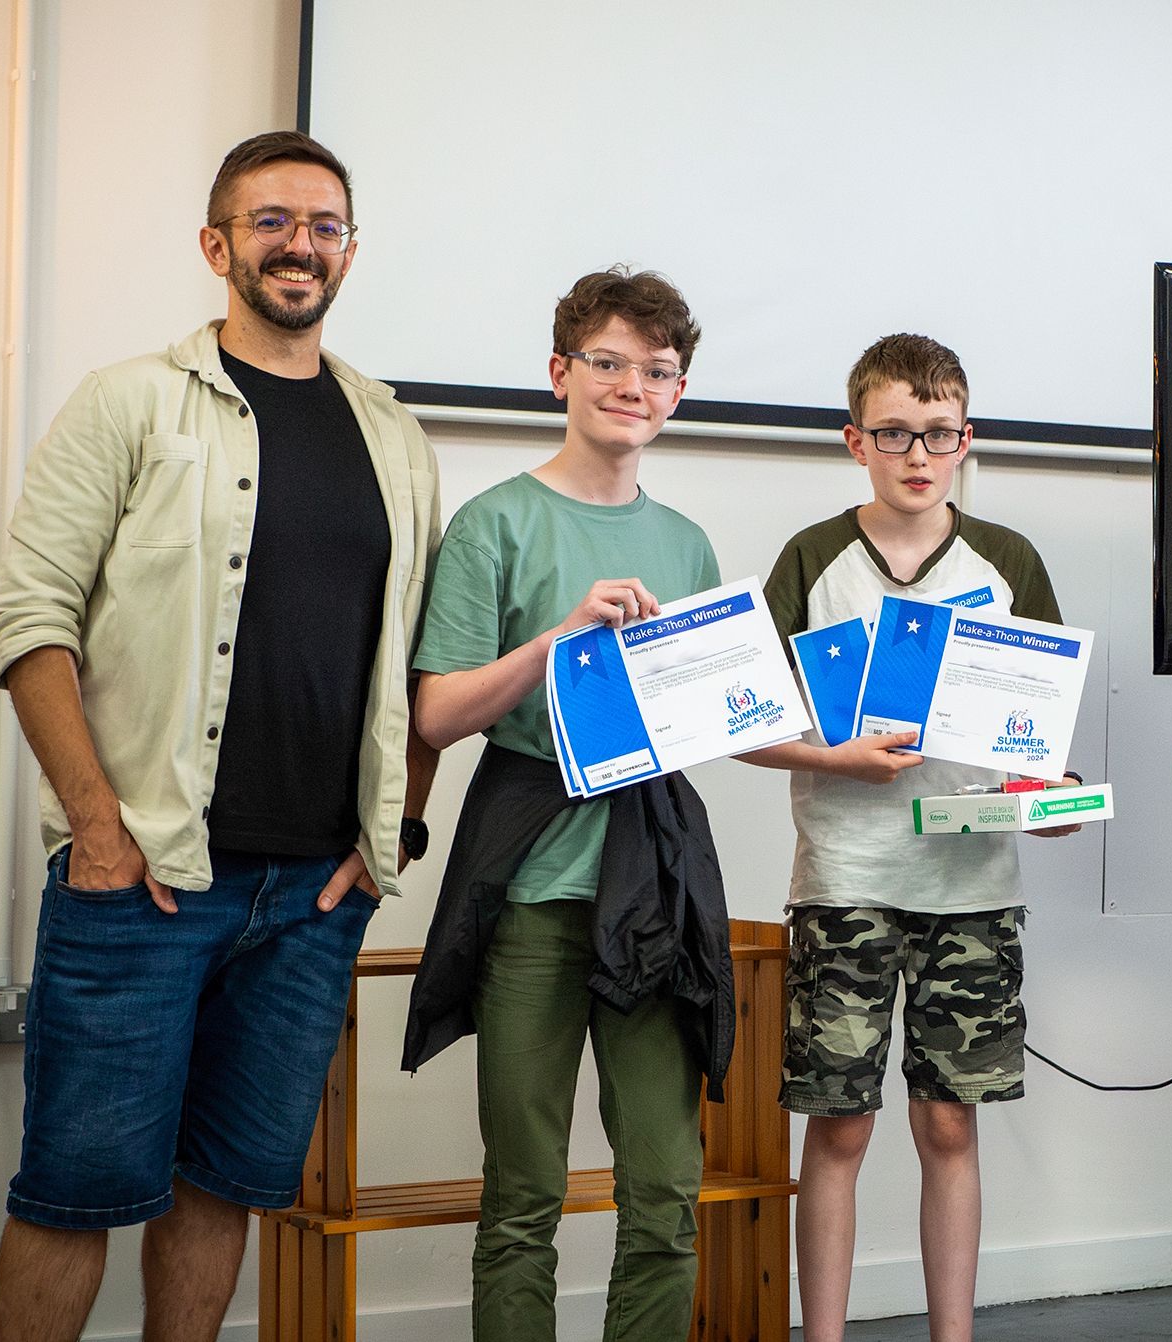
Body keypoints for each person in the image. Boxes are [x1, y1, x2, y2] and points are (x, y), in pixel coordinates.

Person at [0, 130, 441, 1342]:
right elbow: (30, 618)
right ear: (217, 243)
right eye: (273, 221)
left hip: (310, 897)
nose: (301, 244)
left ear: (350, 249)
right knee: (75, 1192)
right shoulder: (131, 402)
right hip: (142, 881)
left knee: (228, 1183)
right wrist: (97, 828)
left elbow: (410, 660)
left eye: (324, 225)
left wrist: (386, 831)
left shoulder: (393, 434)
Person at [400, 267, 728, 1342]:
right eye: (607, 362)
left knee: (665, 1198)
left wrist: (837, 750)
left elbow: (712, 717)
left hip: (655, 891)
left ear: (676, 393)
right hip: (534, 892)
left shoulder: (687, 544)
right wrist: (555, 643)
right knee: (522, 1199)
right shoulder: (494, 525)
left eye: (656, 370)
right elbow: (439, 714)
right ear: (560, 374)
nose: (631, 385)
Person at [739, 333, 1079, 1342]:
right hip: (844, 880)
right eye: (895, 433)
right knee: (838, 1123)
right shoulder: (811, 558)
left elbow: (1044, 738)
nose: (918, 454)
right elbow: (742, 726)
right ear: (856, 441)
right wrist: (835, 758)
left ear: (965, 439)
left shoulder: (1008, 560)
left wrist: (1048, 789)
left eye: (939, 434)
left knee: (947, 1121)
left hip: (973, 882)